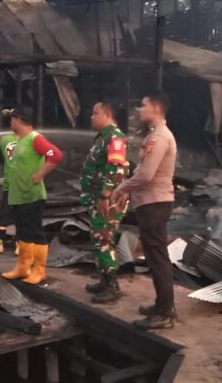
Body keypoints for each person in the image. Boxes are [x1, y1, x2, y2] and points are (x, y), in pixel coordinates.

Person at [112, 92, 177, 330]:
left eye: (143, 105)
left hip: (154, 203)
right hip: (151, 202)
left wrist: (122, 188)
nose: (140, 109)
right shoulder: (155, 135)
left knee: (157, 257)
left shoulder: (159, 138)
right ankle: (162, 305)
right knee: (154, 255)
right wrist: (128, 191)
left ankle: (163, 313)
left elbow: (146, 174)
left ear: (157, 108)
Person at [1, 107, 63, 285]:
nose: (10, 123)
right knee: (23, 232)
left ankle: (39, 270)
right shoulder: (20, 140)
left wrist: (40, 174)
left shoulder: (35, 139)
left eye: (12, 119)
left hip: (31, 195)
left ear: (19, 120)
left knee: (34, 232)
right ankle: (22, 267)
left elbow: (56, 155)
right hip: (19, 195)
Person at [80, 102, 129, 303]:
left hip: (106, 201)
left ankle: (112, 285)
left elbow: (116, 169)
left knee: (104, 239)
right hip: (98, 198)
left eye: (95, 113)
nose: (92, 116)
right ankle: (104, 279)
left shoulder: (115, 137)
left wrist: (105, 196)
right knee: (98, 238)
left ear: (108, 114)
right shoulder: (103, 137)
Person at [0, 130, 19, 254]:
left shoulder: (4, 140)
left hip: (10, 182)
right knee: (20, 213)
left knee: (4, 212)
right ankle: (18, 244)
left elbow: (1, 161)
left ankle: (0, 242)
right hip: (24, 184)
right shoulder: (31, 139)